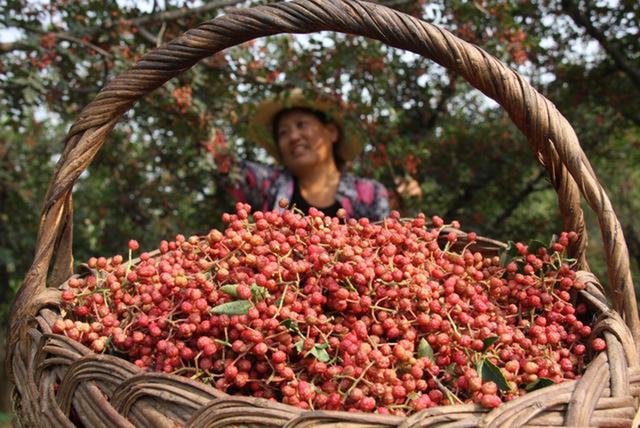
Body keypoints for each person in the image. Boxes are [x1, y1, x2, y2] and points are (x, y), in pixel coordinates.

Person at [214, 88, 392, 221]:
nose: (293, 137)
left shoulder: (370, 193)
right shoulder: (269, 185)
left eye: (302, 125)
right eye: (283, 133)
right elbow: (226, 164)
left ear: (331, 132)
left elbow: (384, 248)